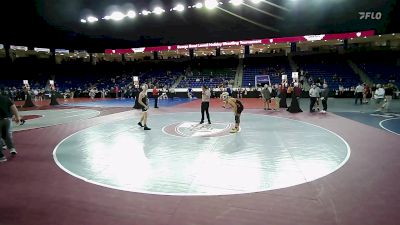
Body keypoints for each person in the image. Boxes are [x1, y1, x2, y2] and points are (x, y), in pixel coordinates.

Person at [0, 89, 21, 162]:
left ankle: (1, 156)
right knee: (6, 135)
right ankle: (12, 149)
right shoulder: (6, 98)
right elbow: (13, 107)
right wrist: (17, 117)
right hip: (7, 119)